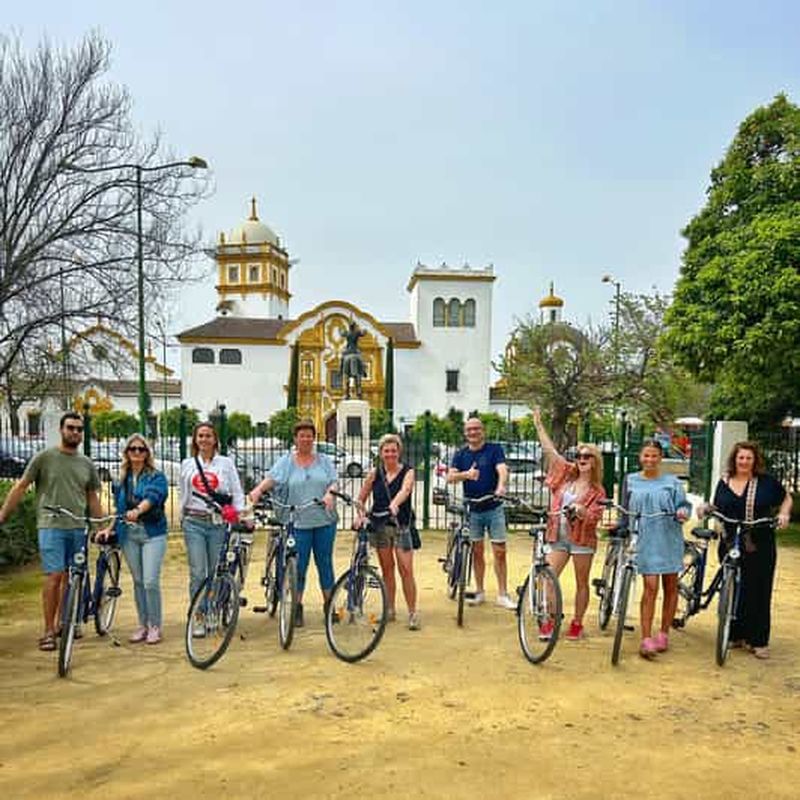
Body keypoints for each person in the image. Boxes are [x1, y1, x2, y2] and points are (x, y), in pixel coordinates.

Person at [0, 412, 102, 652]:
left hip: (77, 528)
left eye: (79, 429)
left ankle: (62, 623)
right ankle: (48, 630)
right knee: (53, 576)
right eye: (70, 428)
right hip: (51, 525)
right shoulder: (44, 458)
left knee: (71, 577)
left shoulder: (86, 463)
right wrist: (4, 513)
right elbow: (21, 485)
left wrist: (101, 526)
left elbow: (92, 497)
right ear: (61, 429)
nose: (75, 432)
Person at [706, 441, 791, 659]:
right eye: (740, 457)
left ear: (755, 461)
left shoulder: (766, 482)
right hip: (730, 541)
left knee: (758, 589)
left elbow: (786, 498)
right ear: (735, 459)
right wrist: (706, 508)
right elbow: (716, 505)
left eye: (748, 458)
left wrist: (784, 514)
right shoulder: (724, 481)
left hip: (759, 542)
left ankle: (758, 640)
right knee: (734, 586)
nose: (744, 461)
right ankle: (735, 634)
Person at [248, 420, 338, 627]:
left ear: (314, 438)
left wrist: (329, 494)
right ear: (295, 439)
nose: (305, 439)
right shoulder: (286, 461)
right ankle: (297, 606)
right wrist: (257, 491)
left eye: (309, 435)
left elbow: (333, 481)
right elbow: (271, 479)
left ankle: (329, 605)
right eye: (301, 435)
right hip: (297, 522)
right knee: (299, 565)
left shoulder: (323, 460)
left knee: (325, 562)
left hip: (324, 519)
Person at [532, 408, 606, 640]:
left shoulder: (597, 491)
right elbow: (550, 452)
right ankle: (551, 619)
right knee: (549, 576)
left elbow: (595, 517)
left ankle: (577, 622)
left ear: (595, 462)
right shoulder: (567, 475)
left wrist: (583, 511)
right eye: (579, 456)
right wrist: (538, 426)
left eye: (587, 457)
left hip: (582, 539)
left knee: (581, 582)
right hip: (559, 536)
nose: (582, 460)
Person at [621, 440, 691, 659]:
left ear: (660, 458)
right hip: (644, 538)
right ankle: (646, 637)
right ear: (640, 457)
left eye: (654, 456)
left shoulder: (672, 482)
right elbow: (624, 509)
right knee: (650, 586)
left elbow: (684, 505)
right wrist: (623, 529)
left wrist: (682, 512)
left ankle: (664, 632)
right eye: (646, 456)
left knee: (671, 585)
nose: (649, 460)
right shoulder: (630, 480)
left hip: (668, 535)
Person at [96, 434, 169, 645]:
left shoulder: (156, 476)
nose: (137, 453)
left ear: (147, 453)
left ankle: (155, 625)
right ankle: (143, 624)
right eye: (133, 449)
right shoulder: (122, 479)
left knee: (150, 581)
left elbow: (153, 497)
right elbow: (119, 509)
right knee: (138, 581)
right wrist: (110, 528)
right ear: (127, 453)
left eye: (141, 449)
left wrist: (138, 510)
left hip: (152, 533)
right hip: (129, 535)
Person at [179, 421, 245, 636]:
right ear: (195, 440)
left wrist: (239, 514)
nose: (204, 439)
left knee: (217, 571)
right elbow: (183, 493)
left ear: (215, 440)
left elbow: (236, 489)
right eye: (200, 436)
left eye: (208, 436)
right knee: (198, 572)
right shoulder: (187, 464)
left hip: (217, 523)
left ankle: (213, 610)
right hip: (194, 522)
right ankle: (198, 614)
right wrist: (181, 517)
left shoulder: (225, 463)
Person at [447, 416, 515, 609]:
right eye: (469, 429)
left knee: (500, 551)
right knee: (477, 551)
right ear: (465, 433)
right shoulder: (460, 455)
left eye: (476, 429)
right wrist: (466, 475)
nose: (473, 432)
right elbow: (450, 477)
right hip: (472, 509)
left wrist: (501, 486)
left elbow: (502, 469)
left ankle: (502, 593)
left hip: (493, 506)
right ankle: (479, 591)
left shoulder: (494, 449)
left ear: (482, 431)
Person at [356, 433, 420, 630]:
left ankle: (412, 612)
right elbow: (360, 498)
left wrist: (395, 503)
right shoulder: (375, 474)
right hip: (380, 525)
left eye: (393, 450)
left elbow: (406, 489)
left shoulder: (408, 471)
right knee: (387, 569)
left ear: (399, 452)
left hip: (401, 525)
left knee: (406, 569)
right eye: (386, 451)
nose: (390, 454)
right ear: (381, 453)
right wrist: (361, 515)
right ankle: (390, 609)